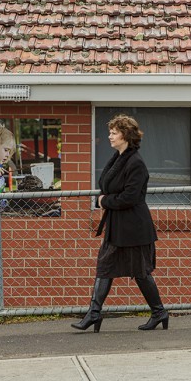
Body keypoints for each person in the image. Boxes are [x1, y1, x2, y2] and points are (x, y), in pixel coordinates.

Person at [72, 114, 168, 333]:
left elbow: (131, 197)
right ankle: (94, 314)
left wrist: (105, 200)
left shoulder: (136, 163)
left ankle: (159, 312)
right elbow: (107, 183)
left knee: (141, 272)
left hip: (134, 228)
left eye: (114, 133)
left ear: (125, 135)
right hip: (117, 226)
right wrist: (104, 196)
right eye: (111, 132)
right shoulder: (118, 157)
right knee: (104, 267)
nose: (110, 136)